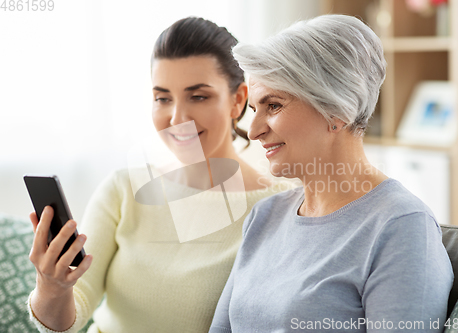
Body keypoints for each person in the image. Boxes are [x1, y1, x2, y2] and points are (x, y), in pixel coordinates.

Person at [27, 17, 279, 333]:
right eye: (162, 98)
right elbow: (66, 319)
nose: (177, 118)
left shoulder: (277, 207)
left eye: (198, 96)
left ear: (238, 99)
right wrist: (52, 287)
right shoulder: (123, 189)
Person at [209, 14, 454, 333]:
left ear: (337, 111)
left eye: (273, 106)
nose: (252, 131)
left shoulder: (401, 227)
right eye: (254, 109)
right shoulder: (264, 217)